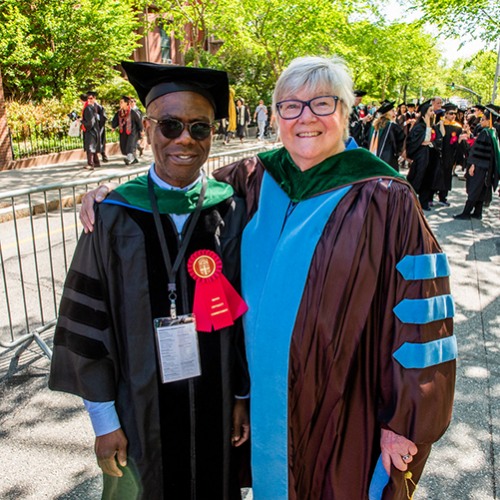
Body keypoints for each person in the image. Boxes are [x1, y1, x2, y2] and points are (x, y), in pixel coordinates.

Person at [80, 56, 456, 499]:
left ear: (346, 111)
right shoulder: (254, 178)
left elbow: (422, 316)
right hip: (263, 403)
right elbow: (177, 191)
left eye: (322, 104)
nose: (305, 118)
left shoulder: (387, 199)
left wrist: (406, 422)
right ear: (276, 116)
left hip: (344, 407)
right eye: (290, 106)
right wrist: (111, 196)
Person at [49, 61, 250, 500]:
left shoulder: (231, 210)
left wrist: (241, 397)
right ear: (147, 130)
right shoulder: (112, 215)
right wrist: (105, 423)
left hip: (216, 407)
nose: (185, 139)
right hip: (137, 411)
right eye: (171, 125)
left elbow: (244, 323)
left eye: (199, 128)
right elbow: (88, 327)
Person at [454, 107, 500, 220]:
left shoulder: (485, 132)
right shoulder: (492, 132)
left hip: (479, 166)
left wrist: (473, 165)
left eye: (483, 119)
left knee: (474, 188)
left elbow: (479, 152)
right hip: (487, 168)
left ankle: (466, 213)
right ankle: (477, 213)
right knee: (482, 189)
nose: (481, 121)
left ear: (489, 121)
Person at [405, 99, 443, 210]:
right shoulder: (419, 127)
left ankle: (424, 202)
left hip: (431, 157)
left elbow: (439, 139)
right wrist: (427, 126)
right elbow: (419, 141)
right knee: (418, 179)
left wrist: (430, 143)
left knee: (428, 180)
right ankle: (410, 202)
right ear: (424, 112)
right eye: (430, 111)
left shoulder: (433, 126)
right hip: (421, 158)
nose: (433, 113)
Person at [368, 100, 405, 170]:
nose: (394, 112)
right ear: (387, 113)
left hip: (373, 157)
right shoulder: (391, 125)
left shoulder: (374, 125)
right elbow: (401, 138)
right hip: (388, 160)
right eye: (392, 111)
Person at [437, 103, 463, 205]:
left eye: (455, 114)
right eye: (451, 113)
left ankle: (443, 196)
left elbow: (458, 144)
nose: (453, 116)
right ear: (445, 114)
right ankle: (431, 194)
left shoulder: (457, 127)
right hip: (439, 154)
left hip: (450, 155)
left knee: (447, 175)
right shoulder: (440, 124)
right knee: (436, 174)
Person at [111, 95, 144, 165]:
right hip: (123, 132)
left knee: (130, 145)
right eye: (120, 102)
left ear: (126, 103)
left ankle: (129, 159)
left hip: (132, 132)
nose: (120, 104)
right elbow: (115, 120)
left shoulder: (132, 112)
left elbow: (139, 121)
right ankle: (134, 159)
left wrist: (142, 130)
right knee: (124, 146)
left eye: (122, 102)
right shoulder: (119, 112)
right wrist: (113, 127)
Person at [81, 91, 103, 170]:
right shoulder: (92, 107)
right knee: (93, 146)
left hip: (90, 130)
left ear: (94, 99)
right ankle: (96, 162)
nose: (89, 100)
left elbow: (90, 122)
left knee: (90, 147)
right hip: (94, 129)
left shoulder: (88, 108)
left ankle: (90, 164)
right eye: (88, 98)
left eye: (91, 98)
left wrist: (81, 121)